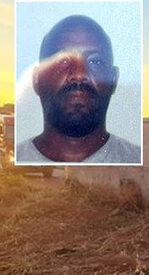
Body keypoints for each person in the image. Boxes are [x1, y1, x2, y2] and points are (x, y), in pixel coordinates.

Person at [16, 15, 140, 164]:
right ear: (37, 79)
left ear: (114, 79)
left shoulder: (136, 158)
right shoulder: (14, 160)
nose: (80, 74)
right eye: (62, 60)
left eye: (95, 61)